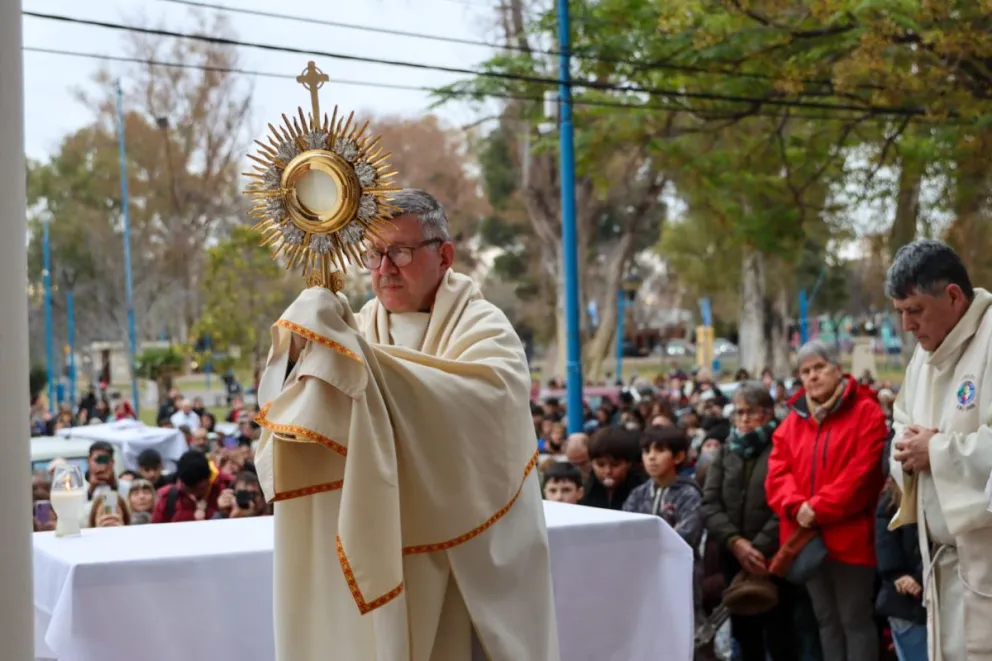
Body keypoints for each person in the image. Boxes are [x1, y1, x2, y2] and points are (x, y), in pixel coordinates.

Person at [254, 189, 559, 661]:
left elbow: (478, 411)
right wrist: (301, 357)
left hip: (469, 561)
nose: (384, 268)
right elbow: (303, 419)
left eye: (399, 251)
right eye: (373, 254)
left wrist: (354, 363)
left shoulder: (485, 328)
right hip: (392, 547)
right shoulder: (358, 327)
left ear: (445, 255)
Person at [885, 239, 992, 661]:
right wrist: (910, 451)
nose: (908, 326)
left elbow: (932, 447)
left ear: (952, 296)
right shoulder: (921, 358)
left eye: (915, 310)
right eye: (900, 313)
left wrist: (940, 451)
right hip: (942, 564)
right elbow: (901, 425)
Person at [766, 340, 887, 661]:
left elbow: (861, 476)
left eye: (819, 367)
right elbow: (777, 474)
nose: (813, 376)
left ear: (837, 368)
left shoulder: (866, 412)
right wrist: (795, 506)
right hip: (805, 539)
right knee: (826, 620)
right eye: (805, 371)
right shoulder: (793, 420)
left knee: (854, 619)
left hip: (851, 539)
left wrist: (816, 508)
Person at [701, 382, 796, 661]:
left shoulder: (783, 446)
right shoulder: (726, 451)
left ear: (768, 413)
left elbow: (786, 505)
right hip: (733, 557)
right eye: (738, 412)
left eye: (750, 412)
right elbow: (710, 503)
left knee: (780, 635)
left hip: (775, 557)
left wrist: (758, 546)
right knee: (745, 634)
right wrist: (736, 542)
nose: (743, 419)